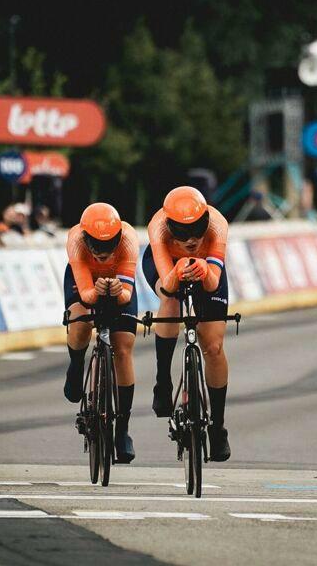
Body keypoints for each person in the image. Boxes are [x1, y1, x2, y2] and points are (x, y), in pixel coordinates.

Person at [142, 186, 233, 461]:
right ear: (170, 226)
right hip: (167, 265)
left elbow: (214, 282)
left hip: (207, 267)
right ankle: (163, 382)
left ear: (206, 221)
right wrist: (177, 272)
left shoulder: (218, 224)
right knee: (169, 300)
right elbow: (168, 286)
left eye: (197, 230)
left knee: (214, 346)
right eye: (183, 233)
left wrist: (204, 269)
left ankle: (217, 428)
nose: (192, 239)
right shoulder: (157, 226)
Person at [62, 203, 139, 463]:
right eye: (97, 246)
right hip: (84, 279)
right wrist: (96, 292)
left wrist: (118, 292)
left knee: (124, 347)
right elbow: (85, 295)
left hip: (119, 281)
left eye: (109, 247)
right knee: (81, 322)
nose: (104, 253)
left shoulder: (128, 238)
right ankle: (75, 364)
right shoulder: (75, 239)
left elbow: (127, 294)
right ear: (86, 239)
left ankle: (123, 430)